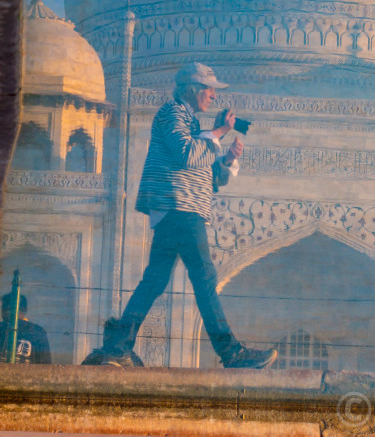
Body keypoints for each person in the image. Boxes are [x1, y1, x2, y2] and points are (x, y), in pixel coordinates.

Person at [84, 62, 277, 369]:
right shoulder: (172, 113)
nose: (213, 96)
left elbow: (210, 177)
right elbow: (187, 154)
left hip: (179, 210)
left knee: (155, 280)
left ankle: (118, 345)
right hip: (180, 210)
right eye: (210, 89)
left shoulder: (190, 124)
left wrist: (225, 157)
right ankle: (231, 353)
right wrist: (219, 131)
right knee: (204, 279)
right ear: (192, 89)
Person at [0, 292, 51, 364]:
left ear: (6, 309)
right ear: (25, 310)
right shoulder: (38, 332)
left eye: (2, 307)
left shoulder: (1, 328)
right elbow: (46, 367)